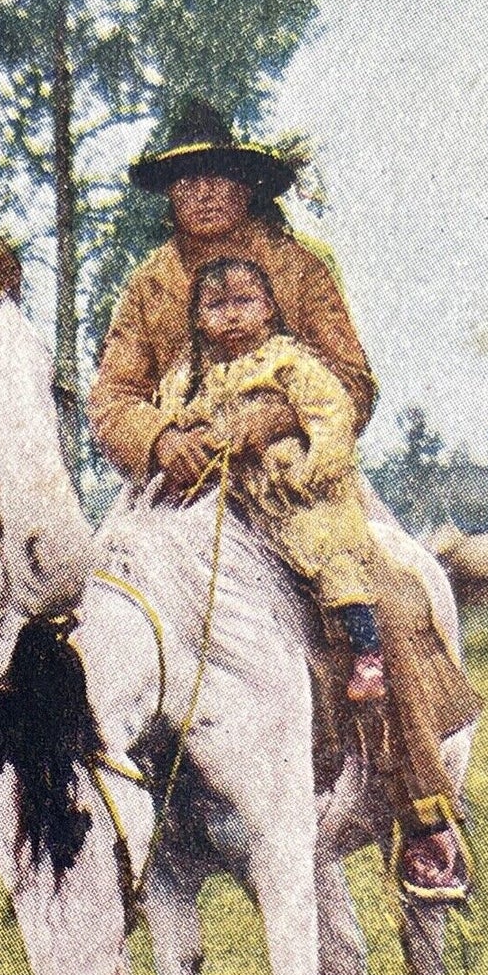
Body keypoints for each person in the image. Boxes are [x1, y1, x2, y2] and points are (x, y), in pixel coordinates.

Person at [89, 100, 480, 902]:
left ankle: (422, 812)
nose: (199, 192)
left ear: (245, 183)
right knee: (86, 609)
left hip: (300, 478)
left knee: (384, 596)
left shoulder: (298, 267)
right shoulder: (147, 287)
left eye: (215, 176)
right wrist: (161, 440)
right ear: (167, 192)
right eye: (182, 178)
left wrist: (271, 419)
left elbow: (351, 379)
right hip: (178, 493)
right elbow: (112, 396)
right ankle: (96, 834)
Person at [160, 256, 386, 701]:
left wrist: (311, 467)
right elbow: (175, 415)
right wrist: (187, 439)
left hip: (290, 492)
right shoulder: (190, 376)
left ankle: (367, 651)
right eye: (216, 305)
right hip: (226, 490)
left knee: (324, 547)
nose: (232, 315)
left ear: (268, 307)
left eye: (245, 301)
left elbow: (330, 411)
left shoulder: (288, 362)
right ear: (199, 319)